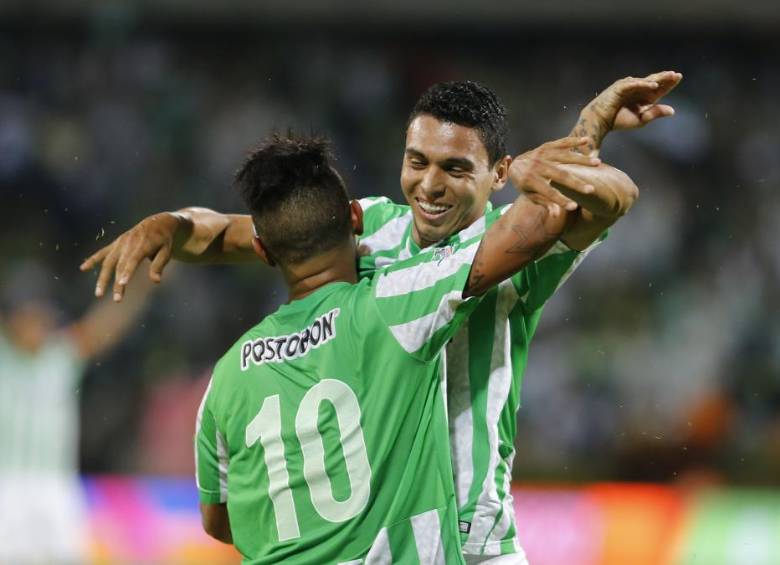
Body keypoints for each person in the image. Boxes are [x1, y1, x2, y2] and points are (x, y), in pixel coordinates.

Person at [82, 71, 681, 563]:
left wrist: (567, 147)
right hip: (378, 532)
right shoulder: (375, 227)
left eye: (455, 168)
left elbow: (612, 196)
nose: (429, 185)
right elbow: (256, 232)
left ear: (497, 175)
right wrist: (170, 225)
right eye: (417, 161)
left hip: (476, 537)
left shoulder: (517, 241)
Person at [193, 131, 586, 563]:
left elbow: (218, 519)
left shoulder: (226, 377)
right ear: (355, 219)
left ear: (262, 250)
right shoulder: (393, 308)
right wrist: (536, 171)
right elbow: (529, 230)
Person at [0, 261, 153, 564]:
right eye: (28, 317)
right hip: (7, 488)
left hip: (58, 489)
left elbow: (106, 325)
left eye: (41, 318)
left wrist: (143, 282)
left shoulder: (60, 357)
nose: (36, 326)